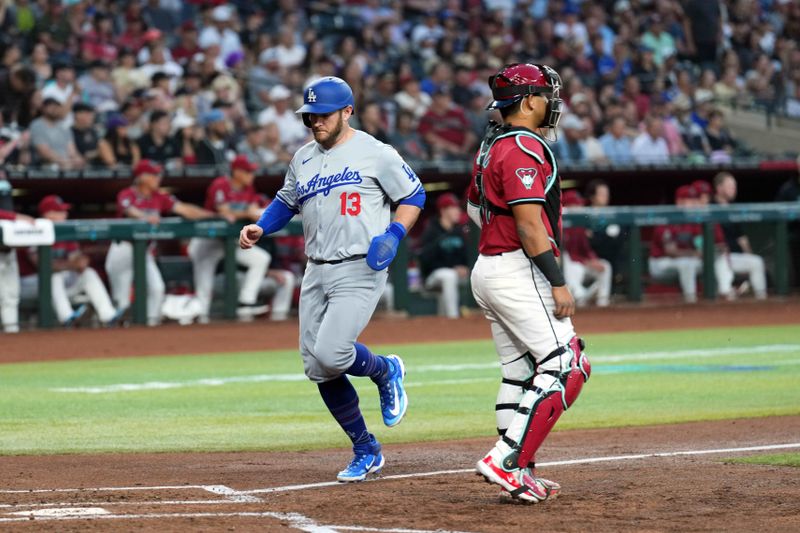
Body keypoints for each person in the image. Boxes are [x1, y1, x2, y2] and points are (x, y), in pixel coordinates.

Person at [239, 77, 424, 482]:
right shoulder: (303, 157)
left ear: (346, 111)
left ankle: (384, 369)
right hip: (316, 269)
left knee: (333, 353)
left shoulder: (376, 153)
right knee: (318, 368)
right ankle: (366, 449)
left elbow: (414, 195)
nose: (315, 123)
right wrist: (261, 227)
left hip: (359, 266)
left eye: (322, 115)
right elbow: (286, 200)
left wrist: (393, 235)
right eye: (309, 117)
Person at [466, 63, 591, 503]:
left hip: (490, 267)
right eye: (548, 96)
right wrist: (557, 282)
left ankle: (520, 474)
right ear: (531, 101)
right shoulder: (521, 145)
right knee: (568, 365)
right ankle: (507, 461)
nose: (553, 104)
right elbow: (530, 225)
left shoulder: (492, 145)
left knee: (520, 372)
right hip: (518, 267)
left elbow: (472, 211)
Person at [105, 159, 214, 326]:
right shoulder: (127, 194)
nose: (159, 177)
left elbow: (184, 209)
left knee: (157, 289)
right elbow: (129, 210)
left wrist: (212, 215)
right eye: (154, 174)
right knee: (122, 299)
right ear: (141, 177)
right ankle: (119, 340)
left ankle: (150, 329)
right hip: (123, 249)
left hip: (144, 250)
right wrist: (144, 217)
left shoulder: (160, 196)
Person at [188, 155, 274, 322]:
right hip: (208, 241)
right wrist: (246, 213)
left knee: (261, 259)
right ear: (236, 172)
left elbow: (252, 209)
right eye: (248, 172)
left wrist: (250, 212)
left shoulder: (249, 189)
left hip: (230, 241)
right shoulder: (221, 185)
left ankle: (246, 302)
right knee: (204, 283)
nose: (252, 175)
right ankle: (201, 320)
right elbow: (224, 210)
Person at [19, 196, 121, 327]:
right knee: (53, 276)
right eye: (60, 211)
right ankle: (67, 318)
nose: (65, 214)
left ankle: (108, 315)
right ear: (48, 214)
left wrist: (81, 262)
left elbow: (76, 258)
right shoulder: (34, 231)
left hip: (57, 286)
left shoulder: (65, 234)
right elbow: (44, 266)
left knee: (88, 273)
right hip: (29, 285)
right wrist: (72, 264)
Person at [648, 185, 731, 303]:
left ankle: (725, 293)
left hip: (687, 259)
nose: (695, 204)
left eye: (695, 200)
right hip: (661, 263)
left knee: (718, 258)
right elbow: (670, 251)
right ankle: (690, 300)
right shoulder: (667, 219)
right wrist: (695, 253)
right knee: (687, 264)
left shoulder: (694, 221)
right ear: (679, 202)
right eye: (690, 200)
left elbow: (700, 244)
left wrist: (709, 251)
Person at [712, 172, 767, 299]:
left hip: (734, 256)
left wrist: (748, 254)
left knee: (756, 262)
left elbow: (741, 237)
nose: (734, 190)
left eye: (734, 186)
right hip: (716, 256)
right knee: (722, 259)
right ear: (719, 188)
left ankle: (761, 299)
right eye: (730, 186)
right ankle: (725, 298)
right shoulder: (710, 205)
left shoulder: (733, 208)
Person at [418, 193, 470, 319]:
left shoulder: (459, 231)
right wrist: (453, 268)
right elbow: (425, 260)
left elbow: (466, 256)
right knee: (448, 275)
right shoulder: (431, 230)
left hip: (457, 274)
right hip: (433, 277)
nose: (458, 211)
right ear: (443, 211)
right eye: (454, 208)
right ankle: (453, 319)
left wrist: (464, 267)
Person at [561, 190, 612, 307]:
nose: (580, 207)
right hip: (568, 266)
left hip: (581, 262)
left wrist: (593, 259)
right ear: (567, 206)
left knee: (605, 266)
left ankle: (602, 302)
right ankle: (581, 296)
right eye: (576, 204)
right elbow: (568, 253)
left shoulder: (580, 224)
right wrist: (586, 261)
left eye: (580, 204)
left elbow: (585, 248)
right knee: (570, 264)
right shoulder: (559, 223)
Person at [0, 191, 33, 334]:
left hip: (8, 251)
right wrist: (15, 217)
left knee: (12, 295)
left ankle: (12, 332)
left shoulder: (5, 187)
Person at [29, 98, 84, 169]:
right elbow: (44, 152)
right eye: (51, 107)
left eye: (57, 107)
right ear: (43, 108)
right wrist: (63, 161)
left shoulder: (63, 126)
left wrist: (77, 159)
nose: (54, 110)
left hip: (67, 165)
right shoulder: (37, 125)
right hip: (45, 166)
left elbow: (72, 150)